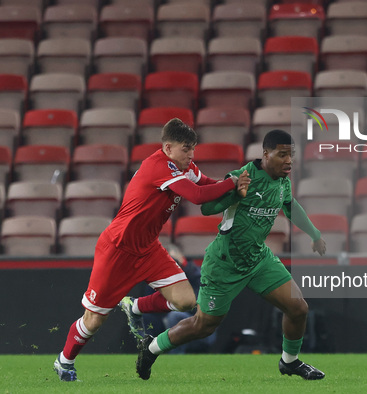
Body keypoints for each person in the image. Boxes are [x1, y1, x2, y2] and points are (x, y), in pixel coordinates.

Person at [53, 118, 250, 382]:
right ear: (168, 148)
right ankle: (64, 361)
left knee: (186, 300)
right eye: (185, 148)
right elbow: (198, 196)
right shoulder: (158, 166)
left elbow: (206, 185)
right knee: (94, 320)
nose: (191, 154)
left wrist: (232, 186)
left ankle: (135, 307)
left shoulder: (185, 167)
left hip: (148, 248)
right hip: (118, 249)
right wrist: (232, 182)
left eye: (193, 148)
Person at [127, 129, 327, 381]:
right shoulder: (241, 176)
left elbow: (290, 205)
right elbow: (207, 208)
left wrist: (314, 233)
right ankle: (152, 347)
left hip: (258, 259)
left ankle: (290, 362)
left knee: (298, 308)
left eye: (291, 155)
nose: (289, 161)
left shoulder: (283, 181)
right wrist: (234, 192)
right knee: (203, 325)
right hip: (225, 263)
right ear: (266, 154)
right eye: (282, 155)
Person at [131, 243, 217, 354]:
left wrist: (183, 274)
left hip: (196, 326)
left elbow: (196, 306)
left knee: (175, 316)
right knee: (146, 317)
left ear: (181, 258)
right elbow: (150, 303)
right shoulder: (159, 276)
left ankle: (175, 356)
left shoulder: (198, 275)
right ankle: (147, 352)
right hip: (165, 323)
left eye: (174, 261)